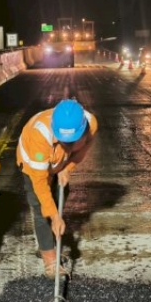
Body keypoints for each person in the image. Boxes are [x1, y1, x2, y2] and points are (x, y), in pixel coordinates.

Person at [16, 98, 98, 279]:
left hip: (60, 162)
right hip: (34, 164)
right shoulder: (40, 135)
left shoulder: (90, 124)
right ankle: (49, 257)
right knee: (41, 208)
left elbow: (81, 151)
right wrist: (54, 216)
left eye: (72, 140)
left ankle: (49, 241)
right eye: (63, 140)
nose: (67, 144)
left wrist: (67, 169)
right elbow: (40, 182)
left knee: (60, 197)